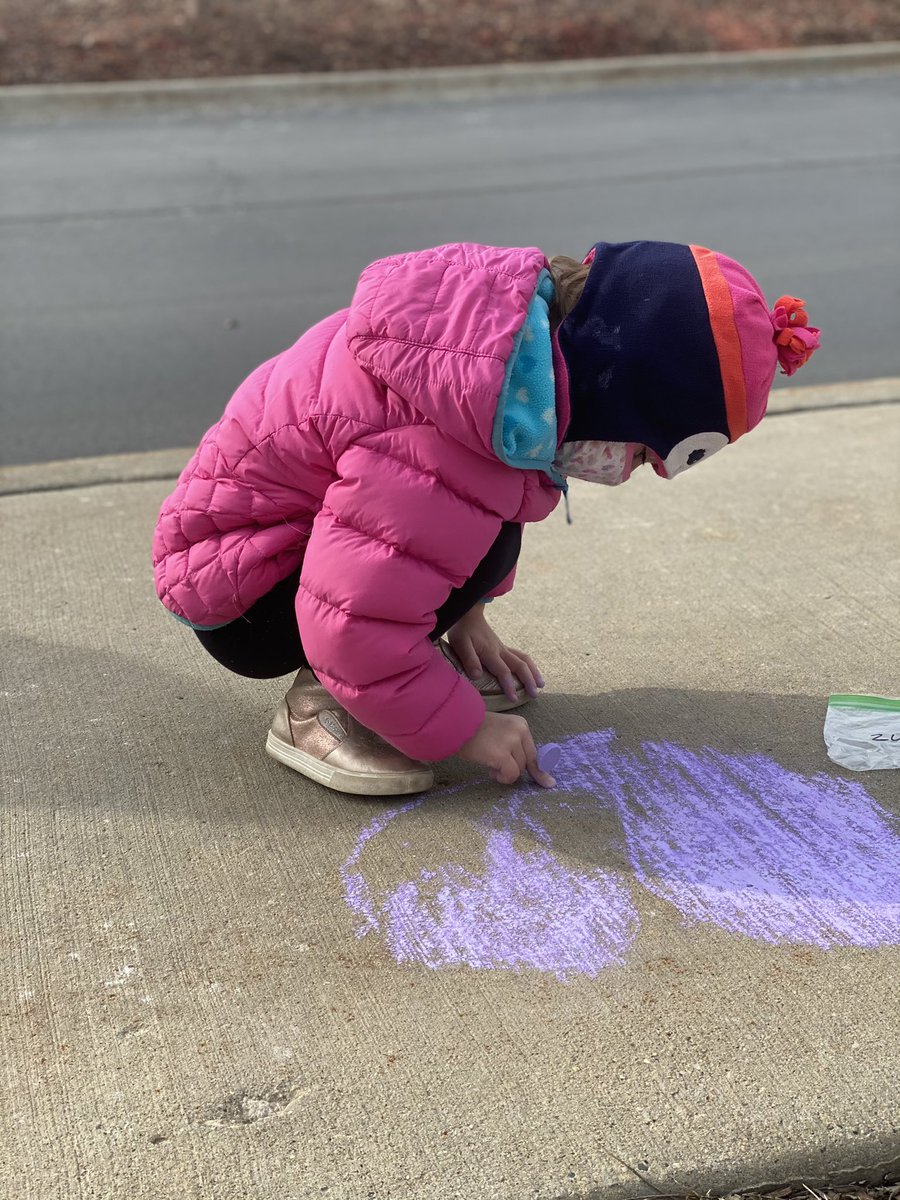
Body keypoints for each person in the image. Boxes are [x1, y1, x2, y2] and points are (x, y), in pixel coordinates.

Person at [152, 240, 820, 797]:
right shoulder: (434, 435)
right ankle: (320, 707)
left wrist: (464, 615)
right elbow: (349, 619)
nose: (629, 472)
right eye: (643, 454)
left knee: (487, 522)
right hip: (240, 599)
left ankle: (399, 664)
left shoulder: (497, 360)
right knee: (457, 532)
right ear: (619, 389)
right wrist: (465, 730)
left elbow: (427, 531)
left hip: (279, 547)